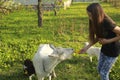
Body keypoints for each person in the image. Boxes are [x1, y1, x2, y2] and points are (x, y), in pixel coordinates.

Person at [79, 3, 120, 80]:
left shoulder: (107, 22)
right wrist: (86, 48)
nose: (90, 18)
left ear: (97, 14)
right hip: (104, 49)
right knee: (99, 69)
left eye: (91, 16)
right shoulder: (96, 21)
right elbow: (98, 37)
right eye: (88, 15)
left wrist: (107, 41)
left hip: (113, 51)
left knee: (103, 73)